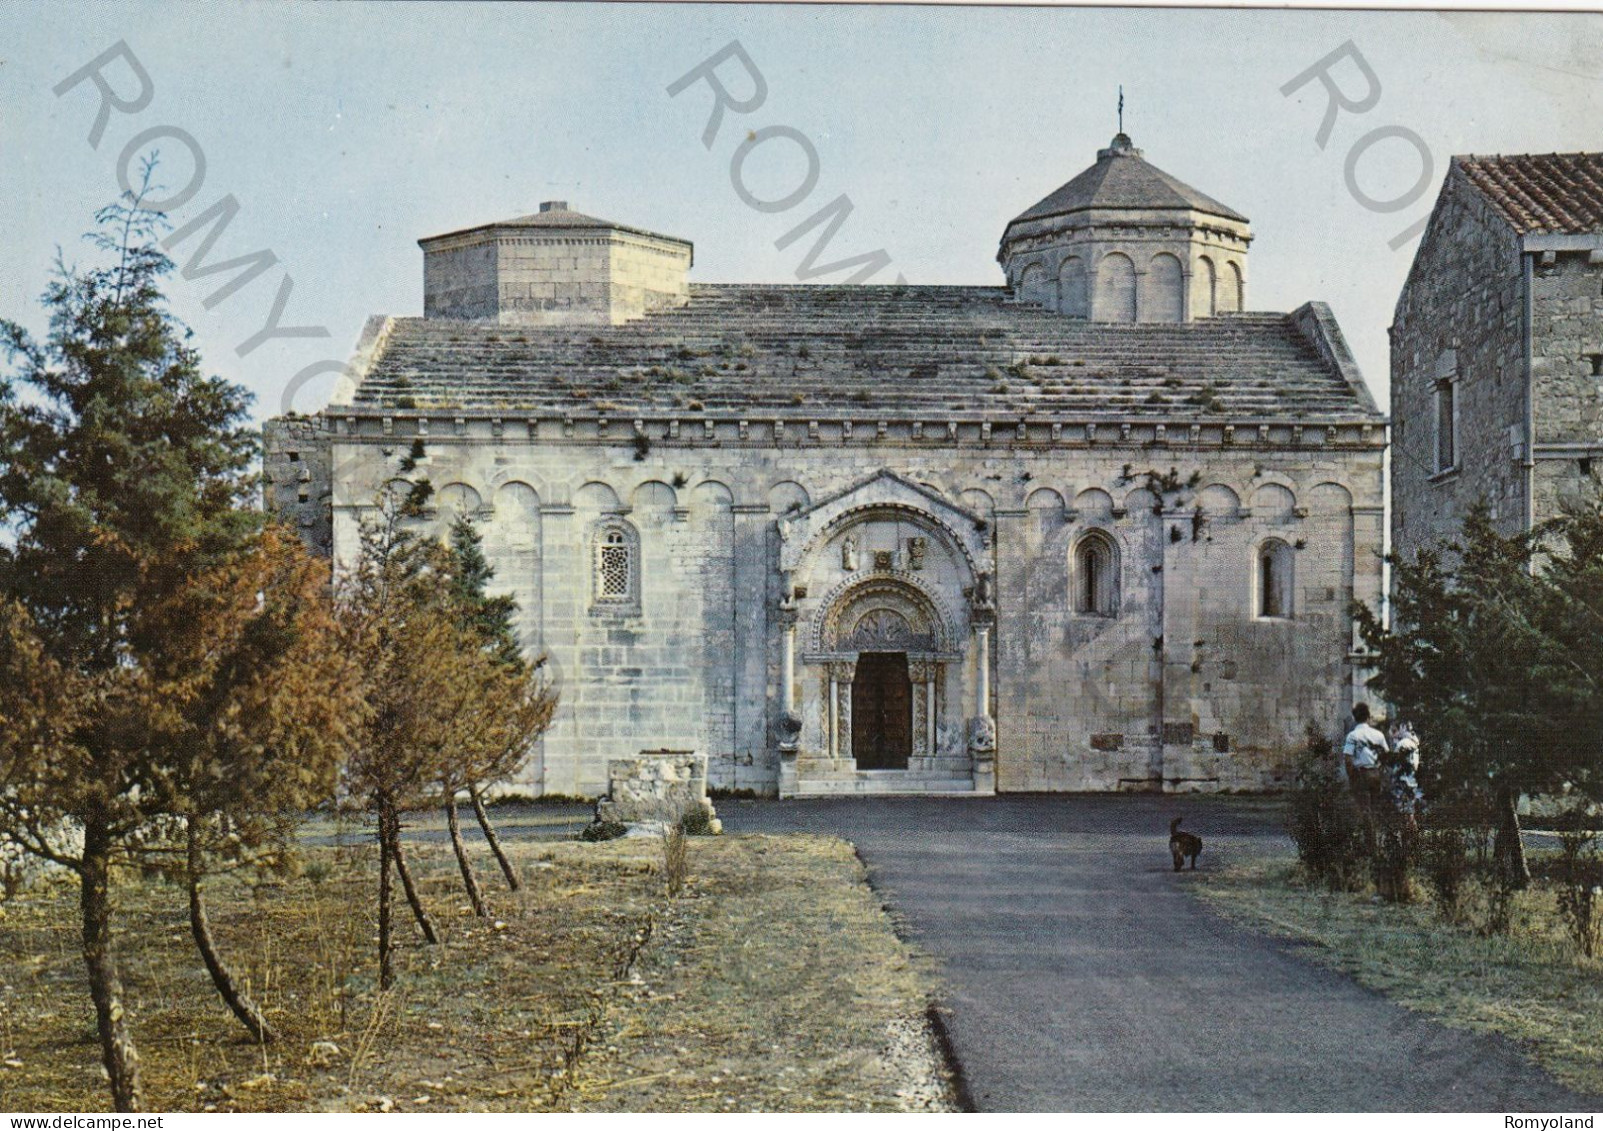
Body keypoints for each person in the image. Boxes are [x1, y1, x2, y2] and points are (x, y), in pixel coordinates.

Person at [1342, 703, 1389, 801]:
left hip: (1360, 775)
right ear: (1368, 717)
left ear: (1355, 718)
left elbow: (1348, 759)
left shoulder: (1352, 736)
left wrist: (1351, 777)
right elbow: (1386, 755)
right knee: (1375, 805)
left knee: (1361, 807)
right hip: (1375, 774)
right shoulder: (1379, 735)